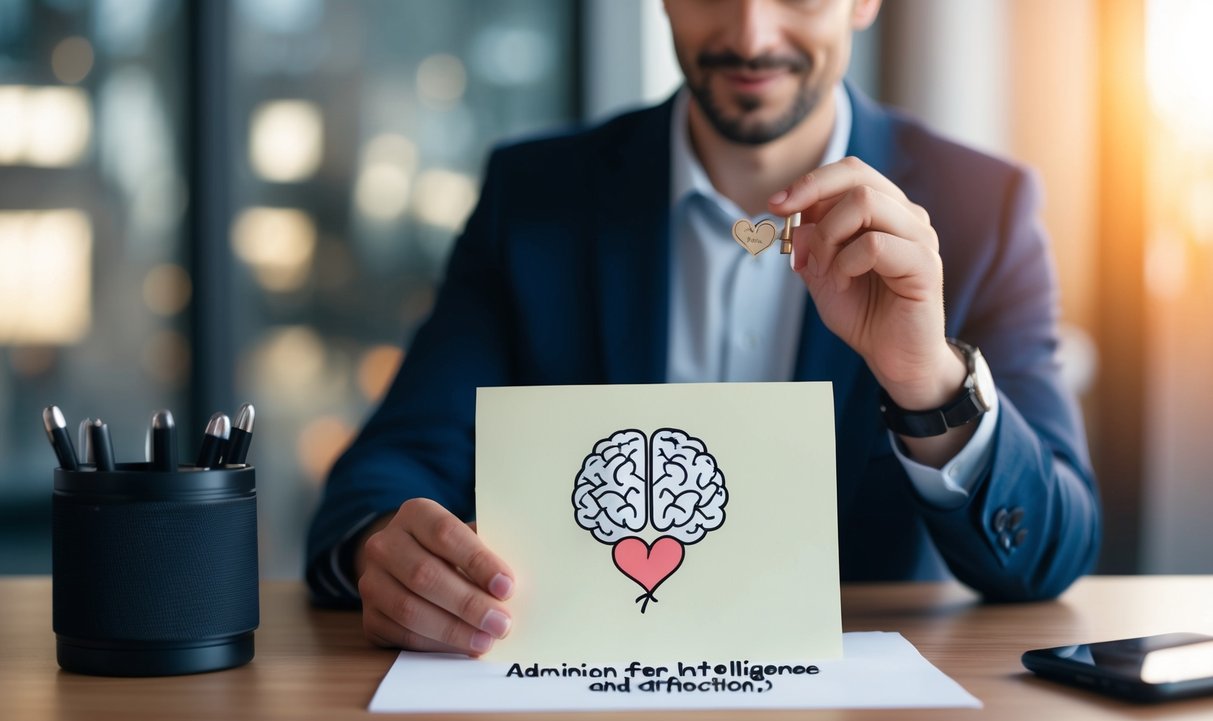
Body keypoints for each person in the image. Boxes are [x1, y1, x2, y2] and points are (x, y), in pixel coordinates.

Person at [306, 0, 1102, 655]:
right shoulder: (535, 196)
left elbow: (1051, 554)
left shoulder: (982, 208)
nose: (751, 35)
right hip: (587, 707)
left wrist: (927, 378)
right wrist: (386, 551)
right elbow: (386, 471)